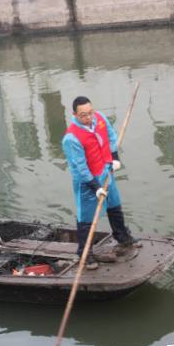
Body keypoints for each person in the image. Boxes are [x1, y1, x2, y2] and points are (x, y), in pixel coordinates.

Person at [62, 96, 137, 269]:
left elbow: (111, 136)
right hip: (86, 181)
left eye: (90, 113)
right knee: (87, 218)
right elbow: (80, 167)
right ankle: (85, 253)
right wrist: (95, 187)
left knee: (114, 205)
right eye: (83, 115)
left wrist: (115, 158)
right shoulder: (71, 138)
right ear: (75, 114)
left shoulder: (100, 118)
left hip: (106, 171)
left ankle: (122, 237)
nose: (89, 118)